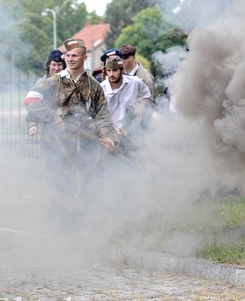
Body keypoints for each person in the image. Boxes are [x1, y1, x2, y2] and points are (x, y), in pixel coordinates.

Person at [24, 38, 117, 196]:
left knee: (91, 181)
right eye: (68, 55)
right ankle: (65, 214)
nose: (70, 59)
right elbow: (31, 100)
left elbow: (102, 114)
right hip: (59, 142)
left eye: (75, 55)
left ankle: (86, 213)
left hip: (87, 142)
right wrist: (53, 117)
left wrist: (107, 135)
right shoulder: (55, 81)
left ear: (84, 58)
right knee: (63, 183)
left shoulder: (94, 85)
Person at [100, 56, 152, 136]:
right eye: (109, 71)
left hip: (133, 132)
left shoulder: (135, 82)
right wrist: (114, 128)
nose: (111, 74)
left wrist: (140, 107)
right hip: (110, 134)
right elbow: (98, 115)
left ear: (122, 70)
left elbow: (146, 95)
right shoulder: (101, 89)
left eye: (115, 70)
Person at [28, 50, 67, 137]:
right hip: (49, 131)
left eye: (59, 65)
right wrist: (33, 124)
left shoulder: (69, 82)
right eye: (54, 65)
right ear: (49, 65)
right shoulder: (42, 83)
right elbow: (34, 104)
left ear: (63, 66)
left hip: (70, 131)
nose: (56, 68)